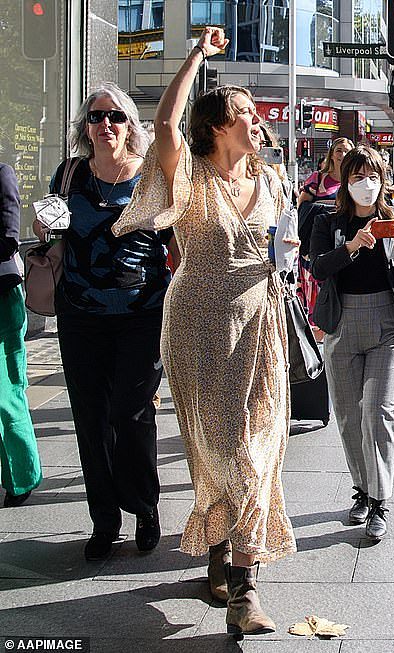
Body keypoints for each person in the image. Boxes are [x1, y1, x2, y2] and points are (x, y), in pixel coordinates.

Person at [112, 27, 296, 636]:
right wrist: (196, 55)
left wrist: (286, 258)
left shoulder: (270, 183)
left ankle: (244, 589)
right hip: (199, 328)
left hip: (261, 325)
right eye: (243, 113)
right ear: (217, 125)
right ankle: (223, 550)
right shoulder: (190, 177)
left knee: (259, 451)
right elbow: (164, 128)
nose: (255, 120)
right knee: (219, 452)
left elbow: (280, 247)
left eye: (253, 112)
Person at [32, 84, 175, 560]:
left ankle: (144, 506)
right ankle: (105, 519)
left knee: (130, 414)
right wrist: (44, 231)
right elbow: (57, 233)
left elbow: (178, 238)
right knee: (91, 420)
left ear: (130, 124)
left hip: (141, 312)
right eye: (97, 118)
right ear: (85, 127)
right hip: (82, 314)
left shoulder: (152, 176)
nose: (106, 125)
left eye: (115, 117)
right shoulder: (70, 174)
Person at [310, 146, 394, 541]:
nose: (366, 185)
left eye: (372, 177)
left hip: (389, 327)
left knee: (378, 411)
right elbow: (318, 266)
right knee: (347, 414)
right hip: (342, 324)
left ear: (384, 182)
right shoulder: (329, 221)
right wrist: (353, 245)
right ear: (345, 181)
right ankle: (362, 488)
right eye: (357, 177)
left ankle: (380, 501)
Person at [0, 162, 42, 508]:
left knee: (6, 393)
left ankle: (21, 477)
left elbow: (8, 237)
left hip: (1, 299)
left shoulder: (2, 173)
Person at [297, 137, 353, 327]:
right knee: (315, 285)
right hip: (317, 238)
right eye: (338, 150)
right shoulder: (318, 178)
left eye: (346, 150)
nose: (342, 154)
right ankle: (318, 328)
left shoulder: (354, 179)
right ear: (332, 154)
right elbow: (303, 206)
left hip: (343, 239)